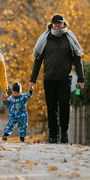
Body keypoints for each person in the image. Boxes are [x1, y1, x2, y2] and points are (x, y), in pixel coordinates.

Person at [29, 14, 85, 144]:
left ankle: (64, 131)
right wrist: (33, 79)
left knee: (64, 105)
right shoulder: (45, 40)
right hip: (49, 79)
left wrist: (81, 79)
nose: (57, 25)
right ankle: (53, 134)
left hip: (65, 79)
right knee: (51, 107)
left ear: (64, 24)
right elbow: (37, 61)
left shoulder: (70, 39)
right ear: (52, 24)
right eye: (55, 23)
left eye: (60, 23)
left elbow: (78, 61)